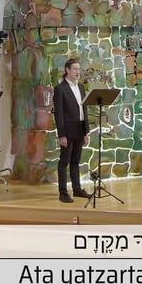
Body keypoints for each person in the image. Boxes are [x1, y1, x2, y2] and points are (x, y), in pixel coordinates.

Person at [53, 58, 92, 203]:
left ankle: (77, 189)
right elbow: (59, 114)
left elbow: (84, 110)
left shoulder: (80, 87)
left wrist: (86, 130)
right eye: (75, 69)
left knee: (76, 161)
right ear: (67, 70)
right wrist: (62, 135)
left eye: (79, 69)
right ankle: (63, 192)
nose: (78, 71)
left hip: (79, 128)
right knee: (64, 162)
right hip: (68, 131)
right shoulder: (60, 89)